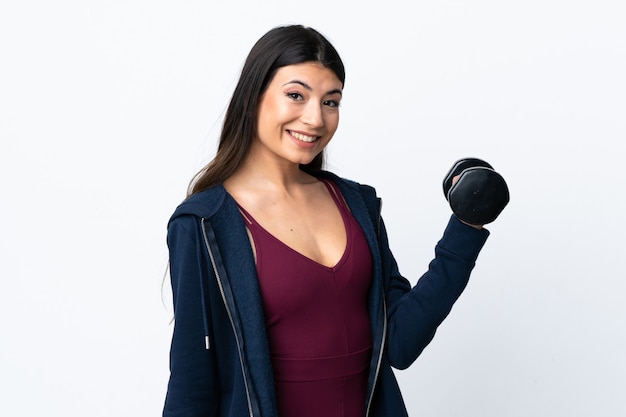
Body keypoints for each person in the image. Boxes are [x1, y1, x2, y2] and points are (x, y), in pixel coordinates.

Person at [163, 24, 493, 417]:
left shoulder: (357, 205)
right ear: (253, 97)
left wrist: (466, 227)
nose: (315, 119)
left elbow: (400, 343)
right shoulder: (204, 224)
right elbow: (192, 382)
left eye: (330, 102)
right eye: (295, 96)